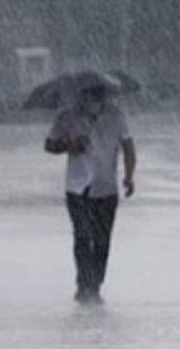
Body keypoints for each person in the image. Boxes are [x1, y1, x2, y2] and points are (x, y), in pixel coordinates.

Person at [45, 85, 137, 305]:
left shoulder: (116, 116)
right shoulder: (66, 118)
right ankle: (84, 284)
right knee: (83, 236)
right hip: (77, 187)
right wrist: (68, 145)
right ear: (81, 96)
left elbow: (128, 146)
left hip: (106, 187)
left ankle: (95, 284)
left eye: (97, 97)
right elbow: (49, 145)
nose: (92, 102)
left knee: (102, 240)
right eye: (87, 96)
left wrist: (129, 176)